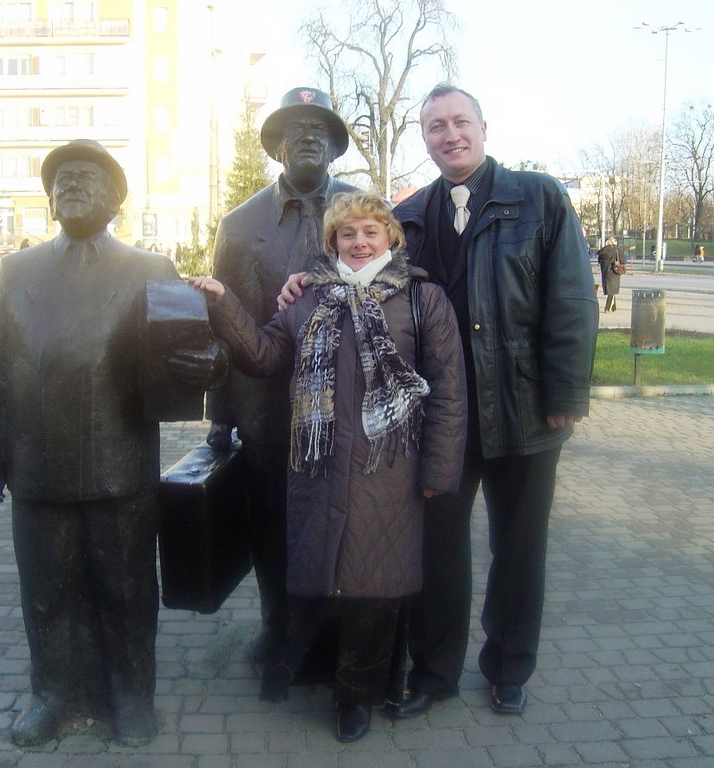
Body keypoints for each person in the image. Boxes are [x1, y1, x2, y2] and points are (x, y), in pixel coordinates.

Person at [280, 84, 597, 717]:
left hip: (526, 410)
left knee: (520, 545)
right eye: (435, 127)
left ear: (484, 127)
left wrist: (566, 391)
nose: (450, 135)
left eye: (460, 123)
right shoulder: (415, 214)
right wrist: (307, 278)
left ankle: (509, 666)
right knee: (440, 547)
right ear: (423, 139)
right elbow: (373, 276)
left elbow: (572, 299)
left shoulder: (539, 199)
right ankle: (434, 673)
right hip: (442, 417)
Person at [0, 139, 220, 748]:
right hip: (37, 464)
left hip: (120, 464)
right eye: (62, 179)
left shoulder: (149, 270)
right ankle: (50, 695)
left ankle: (131, 697)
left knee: (127, 589)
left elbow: (186, 355)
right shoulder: (16, 271)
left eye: (87, 177)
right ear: (49, 199)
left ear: (115, 199)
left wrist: (205, 362)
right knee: (47, 592)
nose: (71, 186)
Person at [192, 191, 467, 742]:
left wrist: (439, 474)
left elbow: (449, 392)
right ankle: (323, 674)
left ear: (391, 237)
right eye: (348, 234)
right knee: (330, 581)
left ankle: (356, 697)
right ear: (333, 242)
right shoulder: (310, 296)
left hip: (389, 471)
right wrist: (225, 304)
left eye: (370, 231)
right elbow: (266, 355)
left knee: (375, 589)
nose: (360, 242)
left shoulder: (423, 299)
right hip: (320, 469)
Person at [205, 87, 359, 666]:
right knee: (271, 527)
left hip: (345, 406)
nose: (309, 136)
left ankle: (331, 634)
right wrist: (219, 416)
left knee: (338, 521)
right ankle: (277, 627)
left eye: (320, 128)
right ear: (277, 145)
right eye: (296, 128)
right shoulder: (241, 225)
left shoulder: (361, 211)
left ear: (335, 144)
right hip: (267, 408)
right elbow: (227, 320)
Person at [596, 237, 622, 313]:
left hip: (605, 272)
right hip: (615, 271)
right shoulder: (617, 249)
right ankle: (607, 308)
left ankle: (614, 307)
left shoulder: (604, 250)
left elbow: (600, 260)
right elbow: (623, 260)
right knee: (612, 290)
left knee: (610, 289)